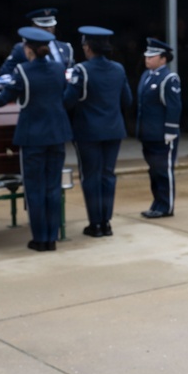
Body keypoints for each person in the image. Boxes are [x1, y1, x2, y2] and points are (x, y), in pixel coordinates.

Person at [0, 27, 71, 252]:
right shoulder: (58, 68)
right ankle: (52, 237)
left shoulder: (23, 71)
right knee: (53, 187)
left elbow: (1, 99)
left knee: (35, 189)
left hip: (33, 137)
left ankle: (40, 239)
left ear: (28, 49)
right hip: (57, 134)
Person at [64, 25, 132, 238]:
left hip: (88, 132)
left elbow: (68, 101)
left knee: (91, 177)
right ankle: (106, 222)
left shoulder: (81, 70)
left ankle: (95, 223)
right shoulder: (119, 69)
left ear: (88, 47)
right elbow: (127, 100)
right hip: (113, 130)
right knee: (107, 175)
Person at [135, 38, 181, 218]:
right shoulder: (147, 76)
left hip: (162, 134)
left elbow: (174, 106)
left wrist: (170, 131)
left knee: (163, 171)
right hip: (149, 134)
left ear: (163, 59)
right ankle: (157, 203)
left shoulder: (169, 78)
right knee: (154, 171)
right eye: (147, 56)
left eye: (152, 57)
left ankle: (166, 206)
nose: (147, 59)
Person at [0, 8, 75, 75]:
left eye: (51, 26)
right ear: (33, 27)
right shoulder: (22, 48)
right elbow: (5, 73)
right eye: (43, 26)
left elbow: (71, 73)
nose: (48, 29)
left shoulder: (66, 47)